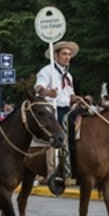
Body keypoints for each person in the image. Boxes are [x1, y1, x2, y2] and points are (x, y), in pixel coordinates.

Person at [34, 41, 81, 188]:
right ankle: (51, 171)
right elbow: (38, 87)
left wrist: (76, 98)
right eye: (64, 54)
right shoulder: (47, 71)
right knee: (54, 138)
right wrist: (49, 92)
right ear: (56, 55)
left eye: (69, 55)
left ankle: (70, 168)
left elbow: (69, 95)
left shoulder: (69, 76)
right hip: (51, 109)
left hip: (65, 109)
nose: (67, 57)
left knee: (74, 135)